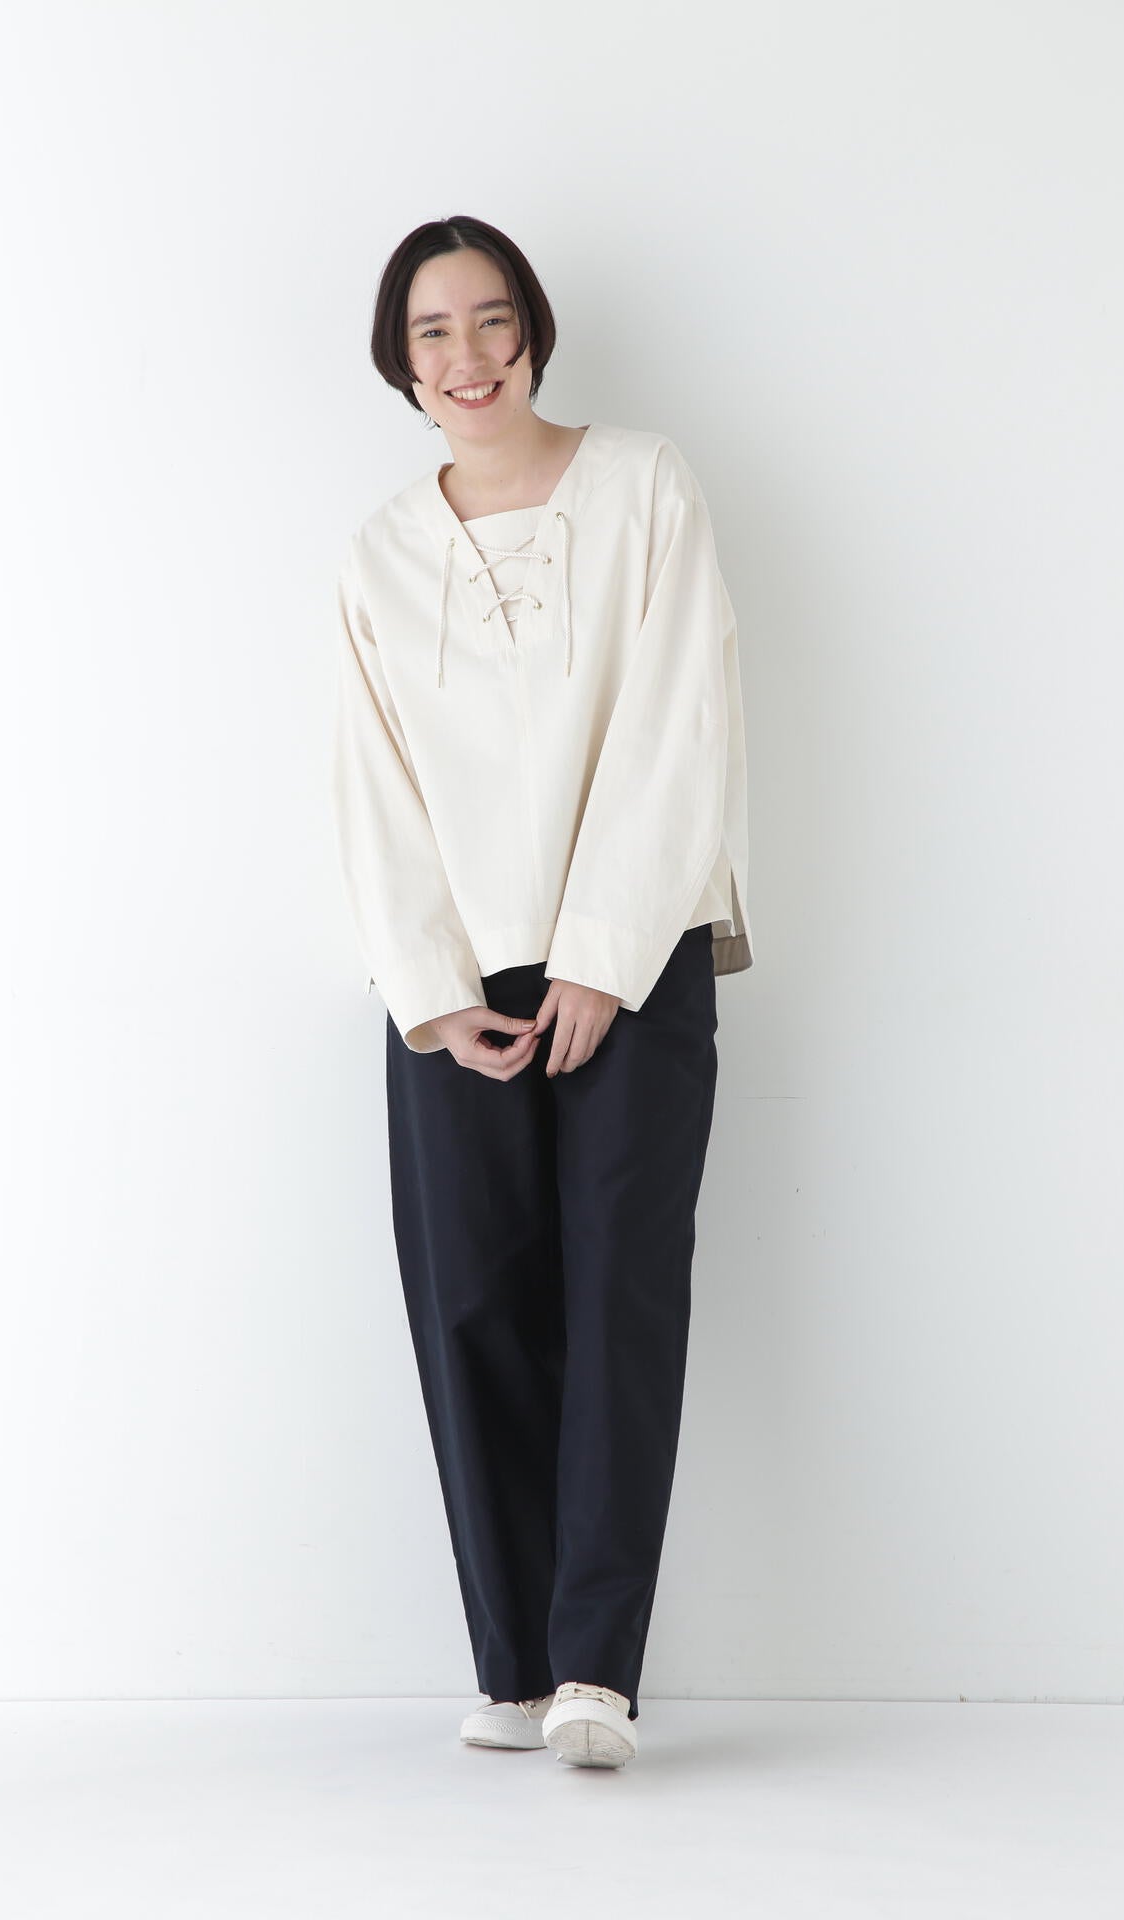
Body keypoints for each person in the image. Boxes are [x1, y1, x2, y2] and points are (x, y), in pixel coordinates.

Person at [329, 214, 753, 1769]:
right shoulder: (379, 553)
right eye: (433, 331)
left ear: (535, 331)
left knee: (620, 1288)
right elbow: (369, 781)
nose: (469, 356)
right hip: (453, 975)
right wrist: (429, 989)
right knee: (473, 1302)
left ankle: (596, 1673)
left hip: (633, 954)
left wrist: (600, 954)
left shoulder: (644, 487)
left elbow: (680, 716)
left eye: (492, 319)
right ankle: (513, 1667)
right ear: (401, 362)